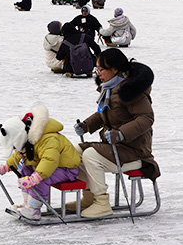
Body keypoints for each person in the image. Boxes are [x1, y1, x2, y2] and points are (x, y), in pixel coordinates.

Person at [67, 49, 159, 219]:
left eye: (102, 69)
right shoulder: (110, 88)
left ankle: (101, 202)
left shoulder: (130, 91)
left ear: (115, 69)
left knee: (90, 155)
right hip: (115, 147)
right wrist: (86, 125)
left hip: (135, 151)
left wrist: (121, 134)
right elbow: (106, 112)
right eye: (97, 69)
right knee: (74, 151)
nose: (98, 73)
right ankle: (89, 198)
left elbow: (146, 117)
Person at [0, 104, 83, 220]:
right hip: (50, 168)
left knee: (41, 179)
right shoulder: (28, 140)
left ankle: (34, 210)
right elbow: (19, 156)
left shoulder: (48, 138)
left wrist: (34, 178)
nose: (15, 149)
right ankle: (28, 205)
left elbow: (50, 160)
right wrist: (4, 168)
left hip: (66, 170)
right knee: (25, 169)